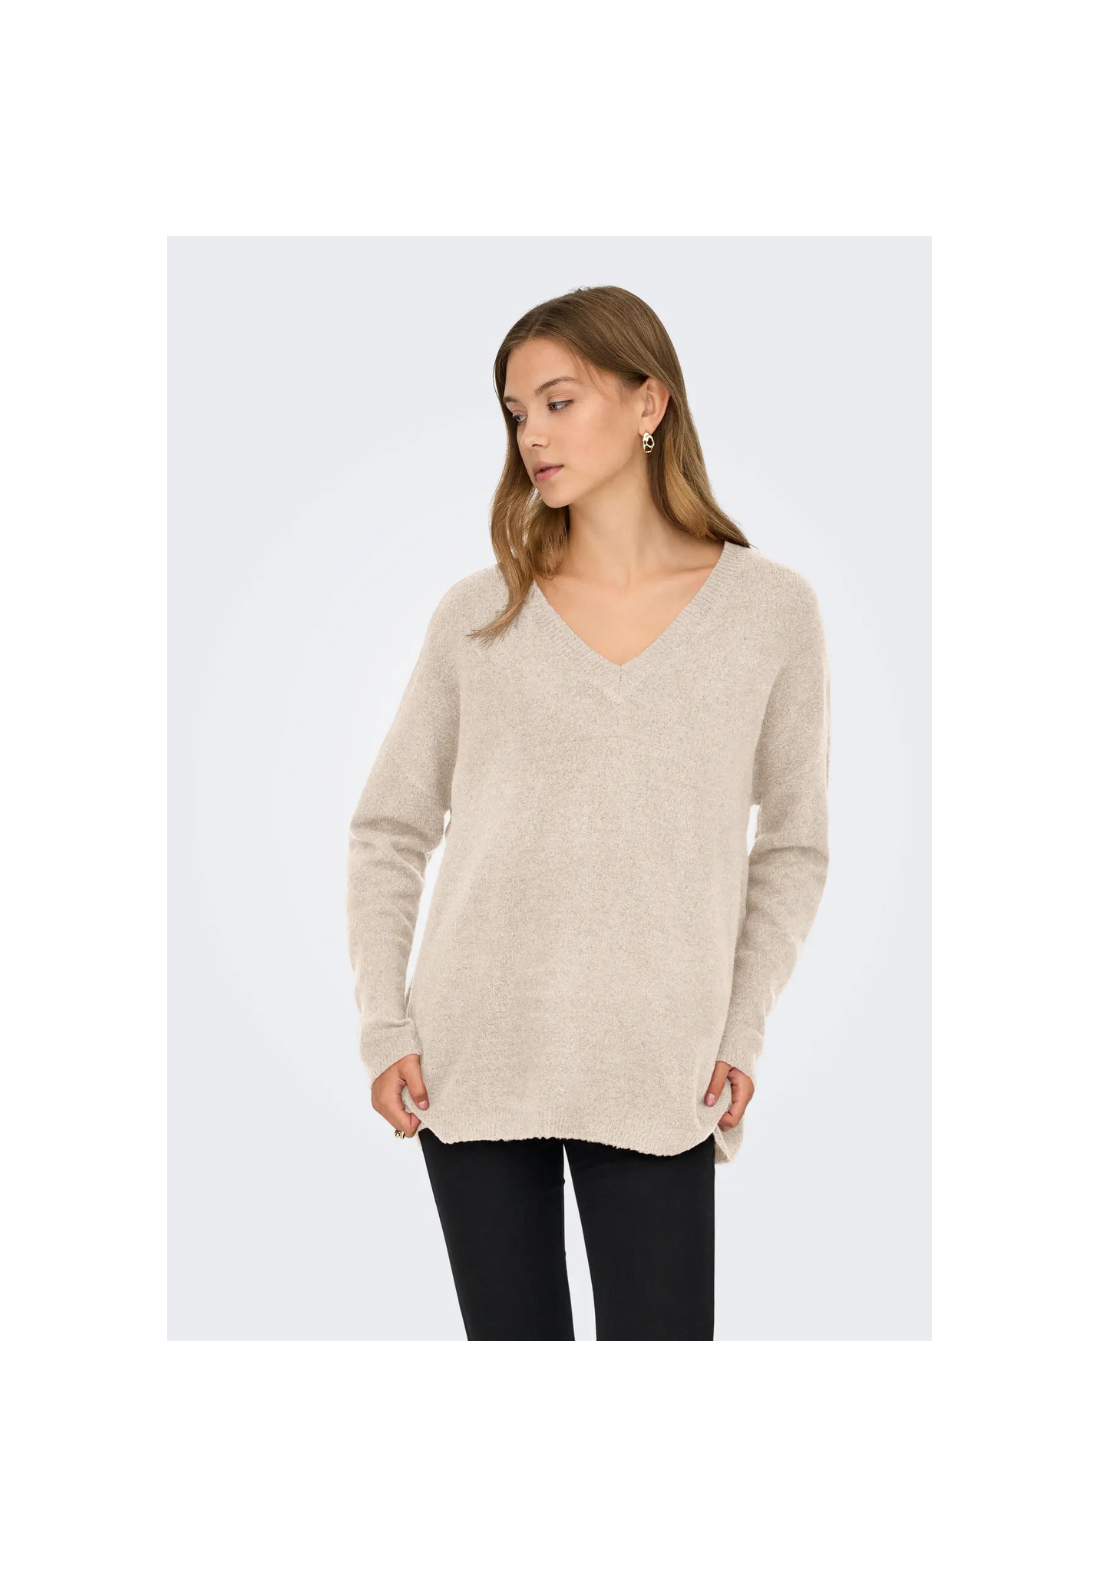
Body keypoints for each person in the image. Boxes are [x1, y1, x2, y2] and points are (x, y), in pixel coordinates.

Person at [346, 285, 831, 1341]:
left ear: (648, 402)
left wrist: (741, 1029)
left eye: (559, 402)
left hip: (660, 1067)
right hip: (473, 1059)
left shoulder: (770, 612)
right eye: (516, 413)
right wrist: (385, 1026)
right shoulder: (479, 615)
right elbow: (388, 829)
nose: (532, 435)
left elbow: (793, 846)